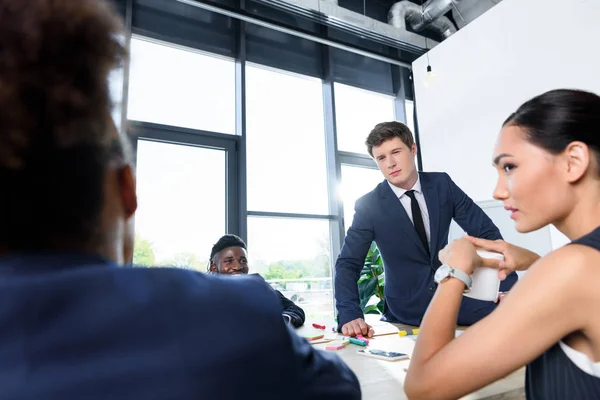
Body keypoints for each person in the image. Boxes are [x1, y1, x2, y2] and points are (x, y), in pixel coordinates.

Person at [0, 1, 361, 399]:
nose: (238, 267)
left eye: (241, 260)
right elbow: (342, 388)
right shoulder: (233, 310)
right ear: (126, 191)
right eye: (229, 261)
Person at [405, 89, 600, 399]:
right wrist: (537, 263)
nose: (497, 191)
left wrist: (455, 271)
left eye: (509, 167)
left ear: (572, 162)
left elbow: (423, 386)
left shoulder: (574, 267)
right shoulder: (582, 267)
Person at [335, 121, 518, 337]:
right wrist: (350, 313)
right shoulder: (369, 205)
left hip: (452, 296)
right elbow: (348, 263)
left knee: (518, 315)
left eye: (396, 152)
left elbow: (488, 235)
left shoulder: (442, 185)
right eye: (381, 158)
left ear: (413, 149)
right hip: (406, 308)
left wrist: (506, 286)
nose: (390, 163)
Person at [208, 234, 306, 328]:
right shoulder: (205, 294)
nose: (238, 267)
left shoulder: (258, 287)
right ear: (214, 268)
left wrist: (283, 321)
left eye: (243, 261)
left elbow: (295, 310)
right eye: (229, 261)